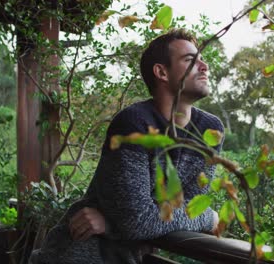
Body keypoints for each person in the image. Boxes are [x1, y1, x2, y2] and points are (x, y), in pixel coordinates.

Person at [30, 28, 224, 264]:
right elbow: (144, 220)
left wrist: (112, 223)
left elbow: (188, 208)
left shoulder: (210, 131)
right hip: (82, 253)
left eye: (202, 60)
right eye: (190, 60)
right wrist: (208, 217)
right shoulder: (134, 124)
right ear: (161, 72)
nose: (203, 66)